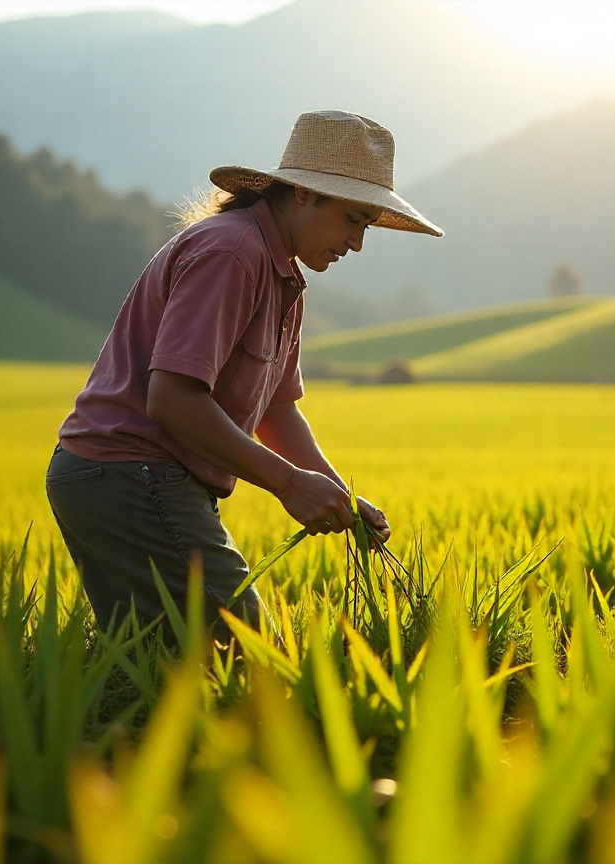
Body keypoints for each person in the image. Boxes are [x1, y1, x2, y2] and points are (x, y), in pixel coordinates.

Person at [45, 110, 442, 642]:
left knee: (169, 664)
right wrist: (287, 484)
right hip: (130, 474)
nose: (357, 243)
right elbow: (173, 399)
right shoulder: (233, 253)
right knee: (252, 658)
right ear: (303, 194)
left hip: (130, 479)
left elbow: (277, 410)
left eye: (367, 225)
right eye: (353, 218)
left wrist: (341, 497)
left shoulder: (280, 273)